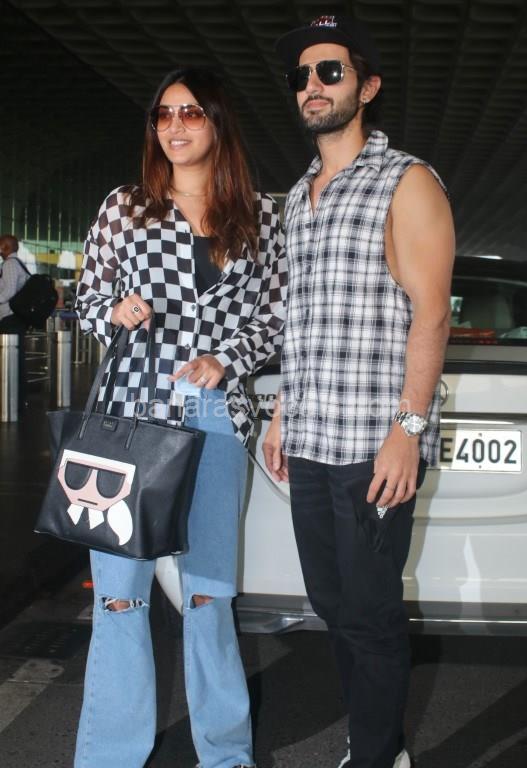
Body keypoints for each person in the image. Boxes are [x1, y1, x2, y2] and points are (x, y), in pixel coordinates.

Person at [74, 66, 287, 768]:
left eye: (191, 112)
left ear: (218, 123)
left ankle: (225, 757)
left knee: (208, 599)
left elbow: (275, 316)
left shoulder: (260, 216)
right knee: (119, 600)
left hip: (217, 418)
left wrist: (227, 358)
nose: (174, 126)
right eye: (163, 114)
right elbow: (85, 298)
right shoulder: (126, 207)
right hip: (131, 416)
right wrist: (112, 311)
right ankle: (110, 758)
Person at [264, 15, 455, 768]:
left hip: (374, 446)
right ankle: (376, 741)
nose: (312, 86)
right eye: (301, 76)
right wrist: (281, 410)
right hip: (312, 439)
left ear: (366, 86)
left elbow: (431, 313)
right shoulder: (297, 198)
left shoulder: (406, 181)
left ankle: (376, 756)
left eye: (330, 71)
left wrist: (408, 429)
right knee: (332, 605)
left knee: (371, 615)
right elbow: (299, 319)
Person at [0, 234, 29, 407]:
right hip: (15, 318)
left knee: (12, 360)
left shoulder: (10, 264)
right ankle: (17, 399)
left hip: (11, 318)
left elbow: (9, 291)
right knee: (15, 358)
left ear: (6, 246)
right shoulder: (18, 263)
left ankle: (14, 400)